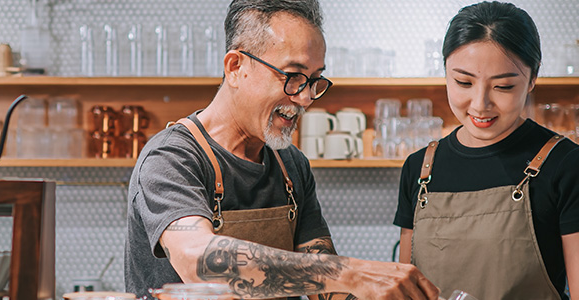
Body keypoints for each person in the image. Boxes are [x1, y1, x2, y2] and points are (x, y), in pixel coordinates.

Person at [125, 1, 440, 299]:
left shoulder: (290, 164)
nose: (305, 99)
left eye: (314, 81)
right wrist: (351, 272)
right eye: (293, 77)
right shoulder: (172, 157)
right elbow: (200, 260)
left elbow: (324, 286)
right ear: (235, 67)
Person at [394, 2, 579, 300]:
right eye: (463, 82)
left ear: (532, 78)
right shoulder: (420, 168)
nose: (480, 104)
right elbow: (407, 290)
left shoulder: (567, 165)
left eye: (504, 87)